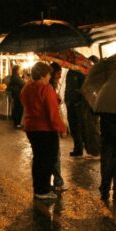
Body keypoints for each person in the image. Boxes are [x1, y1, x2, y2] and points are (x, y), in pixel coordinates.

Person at [20, 61, 67, 201]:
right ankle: (43, 189)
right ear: (42, 75)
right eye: (48, 75)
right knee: (48, 160)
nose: (49, 78)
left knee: (38, 159)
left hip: (32, 128)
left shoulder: (27, 87)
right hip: (46, 130)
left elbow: (24, 101)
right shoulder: (46, 89)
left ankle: (38, 188)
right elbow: (53, 113)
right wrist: (62, 129)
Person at [64, 61, 88, 156]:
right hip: (70, 103)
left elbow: (84, 88)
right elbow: (68, 87)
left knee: (81, 127)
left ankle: (87, 148)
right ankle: (78, 148)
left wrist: (78, 97)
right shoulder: (70, 72)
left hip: (78, 104)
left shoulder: (80, 72)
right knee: (73, 127)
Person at [49, 62, 65, 191]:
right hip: (49, 127)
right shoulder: (48, 88)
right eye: (58, 73)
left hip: (45, 127)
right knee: (54, 154)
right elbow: (51, 111)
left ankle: (55, 181)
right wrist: (61, 127)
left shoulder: (50, 87)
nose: (60, 76)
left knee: (52, 155)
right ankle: (58, 182)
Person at [7, 64, 26, 129]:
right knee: (18, 108)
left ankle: (16, 123)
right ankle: (17, 123)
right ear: (17, 70)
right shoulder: (16, 77)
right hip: (17, 95)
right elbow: (23, 83)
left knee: (17, 108)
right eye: (20, 69)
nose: (21, 70)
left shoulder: (15, 76)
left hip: (16, 94)